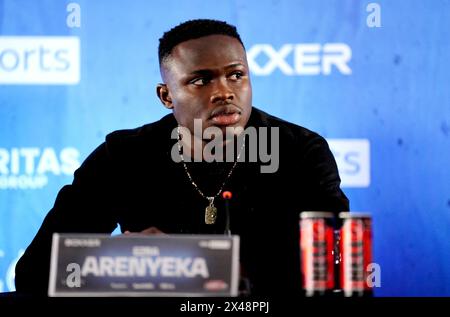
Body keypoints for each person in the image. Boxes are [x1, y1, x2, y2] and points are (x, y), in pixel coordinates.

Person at [15, 19, 349, 296]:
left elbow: (337, 265)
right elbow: (35, 271)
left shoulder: (299, 150)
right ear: (166, 96)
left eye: (236, 75)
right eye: (201, 80)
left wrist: (184, 263)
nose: (224, 92)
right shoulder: (124, 156)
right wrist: (118, 261)